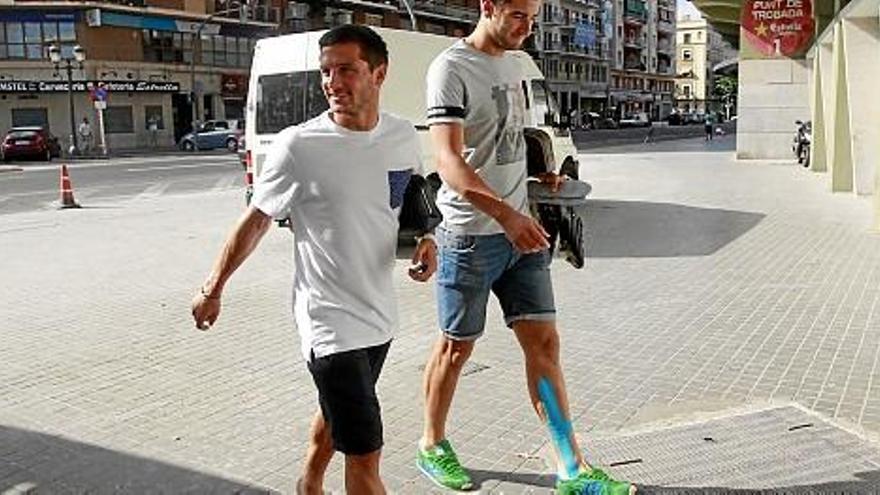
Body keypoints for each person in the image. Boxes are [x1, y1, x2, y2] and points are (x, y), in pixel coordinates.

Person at [190, 25, 437, 495]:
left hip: (380, 315)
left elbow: (407, 194)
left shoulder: (402, 135)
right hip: (327, 321)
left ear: (379, 73)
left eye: (346, 69)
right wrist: (213, 288)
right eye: (326, 71)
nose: (332, 82)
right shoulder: (300, 145)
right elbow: (256, 220)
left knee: (337, 412)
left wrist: (427, 236)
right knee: (365, 452)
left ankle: (308, 483)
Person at [416, 0, 636, 494]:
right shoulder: (450, 68)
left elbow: (506, 138)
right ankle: (431, 444)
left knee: (545, 345)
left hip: (524, 235)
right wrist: (506, 215)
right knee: (455, 348)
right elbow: (449, 161)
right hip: (471, 237)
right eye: (518, 14)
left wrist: (539, 175)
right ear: (488, 6)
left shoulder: (513, 62)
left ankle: (571, 469)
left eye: (533, 18)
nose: (527, 26)